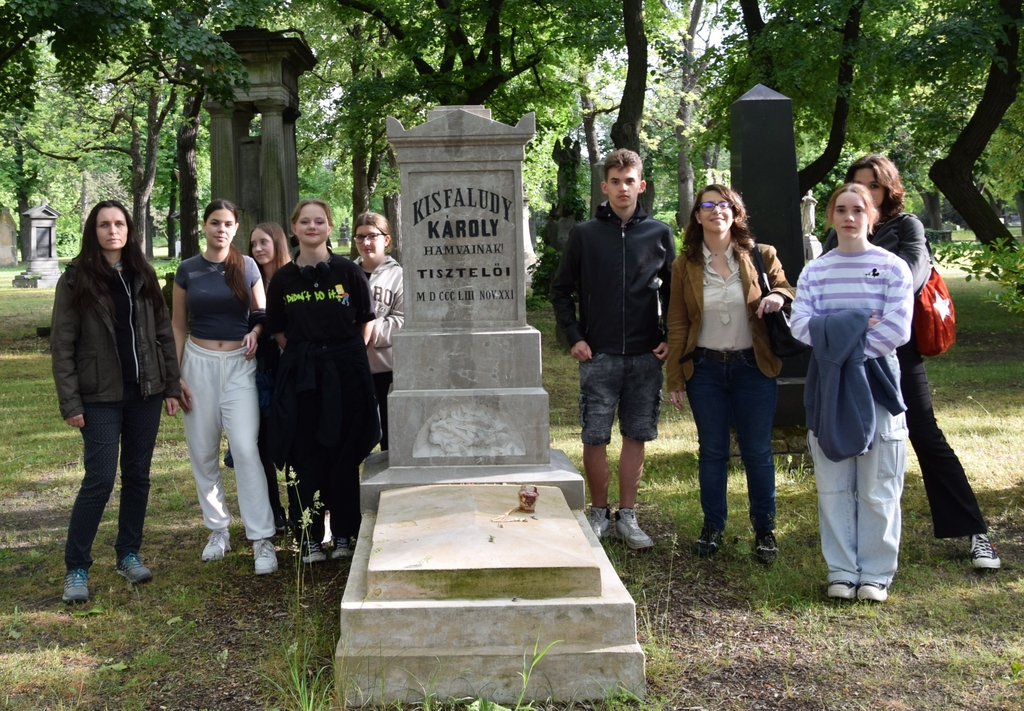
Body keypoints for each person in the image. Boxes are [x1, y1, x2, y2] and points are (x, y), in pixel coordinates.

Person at [824, 155, 1001, 570]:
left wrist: (864, 293)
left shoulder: (906, 227)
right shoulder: (838, 232)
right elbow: (825, 287)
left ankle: (976, 532)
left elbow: (912, 278)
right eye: (859, 184)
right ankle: (854, 548)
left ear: (888, 189)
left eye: (874, 185)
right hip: (847, 353)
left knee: (925, 434)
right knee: (851, 439)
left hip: (896, 350)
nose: (866, 193)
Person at [51, 200, 182, 602]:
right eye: (104, 225)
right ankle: (76, 567)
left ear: (129, 230)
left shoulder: (143, 274)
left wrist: (171, 386)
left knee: (138, 476)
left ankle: (128, 553)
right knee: (100, 479)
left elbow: (164, 333)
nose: (113, 231)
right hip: (99, 397)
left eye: (119, 224)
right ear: (93, 231)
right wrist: (71, 402)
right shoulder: (75, 279)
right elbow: (62, 344)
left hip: (145, 393)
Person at [791, 183, 914, 602]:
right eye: (841, 209)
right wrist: (862, 322)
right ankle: (842, 571)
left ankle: (876, 574)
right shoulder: (816, 271)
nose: (849, 217)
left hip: (877, 381)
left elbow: (897, 328)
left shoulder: (893, 268)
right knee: (833, 484)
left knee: (879, 483)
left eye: (858, 210)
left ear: (871, 216)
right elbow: (800, 324)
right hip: (829, 382)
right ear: (830, 216)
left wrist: (837, 332)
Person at [550, 148, 674, 551]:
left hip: (645, 355)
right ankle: (599, 513)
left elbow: (675, 292)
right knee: (595, 435)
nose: (623, 188)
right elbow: (561, 289)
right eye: (615, 182)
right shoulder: (585, 234)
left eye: (630, 181)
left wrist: (669, 337)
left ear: (641, 185)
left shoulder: (659, 234)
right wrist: (575, 336)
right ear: (605, 187)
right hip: (598, 354)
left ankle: (628, 515)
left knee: (636, 434)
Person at [665, 185, 796, 563]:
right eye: (707, 205)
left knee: (757, 451)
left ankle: (765, 529)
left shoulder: (760, 254)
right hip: (705, 371)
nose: (716, 210)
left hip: (753, 368)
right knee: (712, 452)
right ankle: (712, 526)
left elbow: (787, 287)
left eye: (724, 204)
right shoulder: (685, 264)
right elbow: (677, 323)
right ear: (697, 216)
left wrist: (778, 296)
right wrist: (675, 377)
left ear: (735, 213)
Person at [266, 199, 380, 563]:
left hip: (345, 374)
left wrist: (344, 357)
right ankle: (309, 537)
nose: (311, 227)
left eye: (319, 221)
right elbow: (279, 330)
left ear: (329, 226)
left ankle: (344, 533)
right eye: (305, 221)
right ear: (294, 227)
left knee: (344, 452)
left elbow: (366, 320)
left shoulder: (349, 272)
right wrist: (307, 357)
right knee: (304, 453)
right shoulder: (283, 279)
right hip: (302, 376)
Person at [172, 199, 278, 575]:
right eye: (215, 222)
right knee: (203, 453)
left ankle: (262, 538)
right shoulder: (187, 269)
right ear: (204, 226)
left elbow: (262, 314)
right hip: (197, 365)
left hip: (239, 367)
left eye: (228, 223)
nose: (221, 229)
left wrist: (256, 332)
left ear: (235, 228)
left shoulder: (246, 266)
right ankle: (218, 530)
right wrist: (175, 375)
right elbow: (178, 325)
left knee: (246, 449)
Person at [249, 222, 291, 532]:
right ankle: (274, 512)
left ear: (277, 242)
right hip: (260, 373)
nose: (258, 249)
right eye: (253, 244)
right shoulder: (249, 280)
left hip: (291, 370)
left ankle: (302, 508)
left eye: (264, 242)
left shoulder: (291, 278)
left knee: (294, 442)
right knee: (261, 443)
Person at [352, 212, 404, 452]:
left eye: (372, 236)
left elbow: (403, 321)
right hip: (351, 364)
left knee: (390, 435)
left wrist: (368, 328)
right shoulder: (346, 273)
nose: (366, 242)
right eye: (360, 237)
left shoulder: (399, 276)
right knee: (354, 433)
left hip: (385, 368)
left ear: (386, 239)